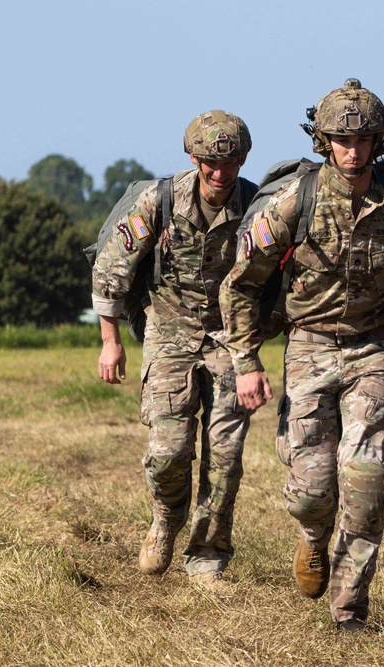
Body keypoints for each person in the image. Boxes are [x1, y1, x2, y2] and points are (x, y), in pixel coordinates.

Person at [219, 78, 384, 631]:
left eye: (363, 138)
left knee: (366, 480)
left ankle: (349, 609)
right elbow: (241, 286)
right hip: (308, 346)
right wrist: (246, 362)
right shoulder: (296, 201)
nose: (352, 149)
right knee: (312, 494)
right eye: (341, 138)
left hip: (373, 351)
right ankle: (314, 537)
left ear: (379, 140)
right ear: (323, 140)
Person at [92, 110, 257, 586]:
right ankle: (165, 520)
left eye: (229, 162)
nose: (219, 172)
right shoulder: (160, 201)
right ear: (193, 156)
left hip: (229, 336)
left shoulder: (256, 206)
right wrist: (111, 343)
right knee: (168, 451)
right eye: (209, 161)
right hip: (168, 331)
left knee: (224, 456)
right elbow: (112, 271)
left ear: (244, 159)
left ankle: (208, 553)